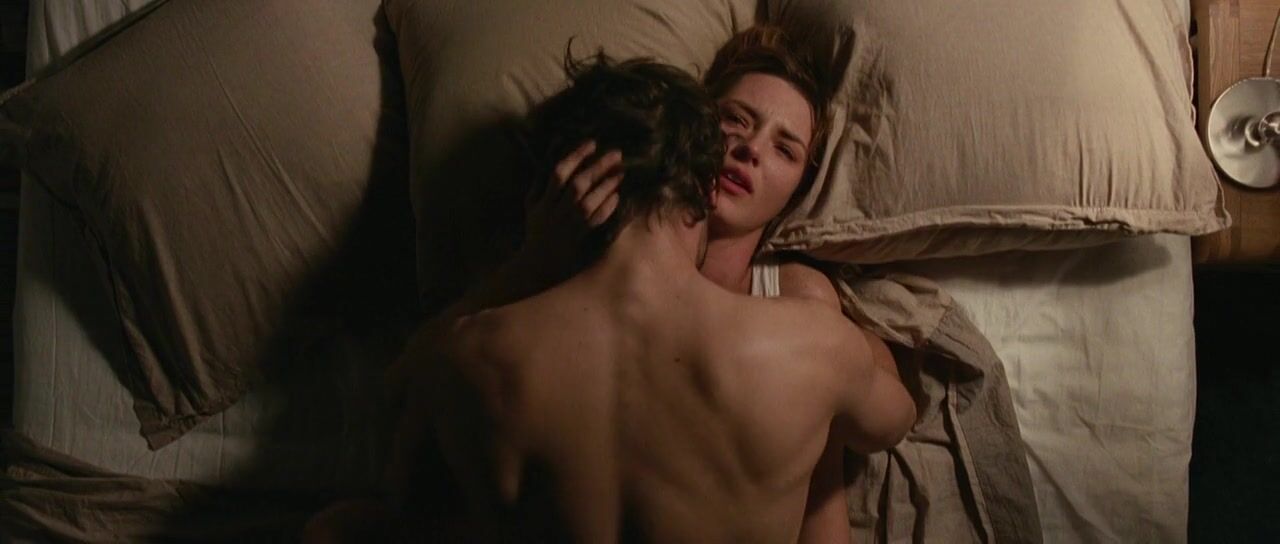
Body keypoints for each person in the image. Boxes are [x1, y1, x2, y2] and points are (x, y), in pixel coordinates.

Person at [383, 53, 915, 542]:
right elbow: (896, 419)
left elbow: (399, 467)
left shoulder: (466, 356)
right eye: (734, 121)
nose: (750, 150)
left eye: (785, 148)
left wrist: (531, 261)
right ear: (703, 180)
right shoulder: (814, 348)